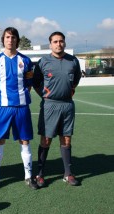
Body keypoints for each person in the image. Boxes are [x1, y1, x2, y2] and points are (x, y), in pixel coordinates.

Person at [0, 27, 38, 191]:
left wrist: (19, 97)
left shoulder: (26, 61)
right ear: (3, 39)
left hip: (21, 107)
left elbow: (29, 85)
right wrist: (3, 98)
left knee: (24, 140)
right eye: (8, 37)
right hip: (2, 107)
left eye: (13, 37)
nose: (10, 40)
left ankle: (29, 176)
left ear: (17, 40)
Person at [33, 31, 82, 187]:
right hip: (49, 105)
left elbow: (76, 79)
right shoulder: (43, 61)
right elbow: (36, 82)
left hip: (67, 105)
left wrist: (70, 90)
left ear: (65, 43)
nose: (58, 44)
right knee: (46, 139)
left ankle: (68, 174)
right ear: (50, 44)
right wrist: (45, 94)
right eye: (55, 41)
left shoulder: (73, 61)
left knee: (66, 138)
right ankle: (39, 174)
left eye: (61, 41)